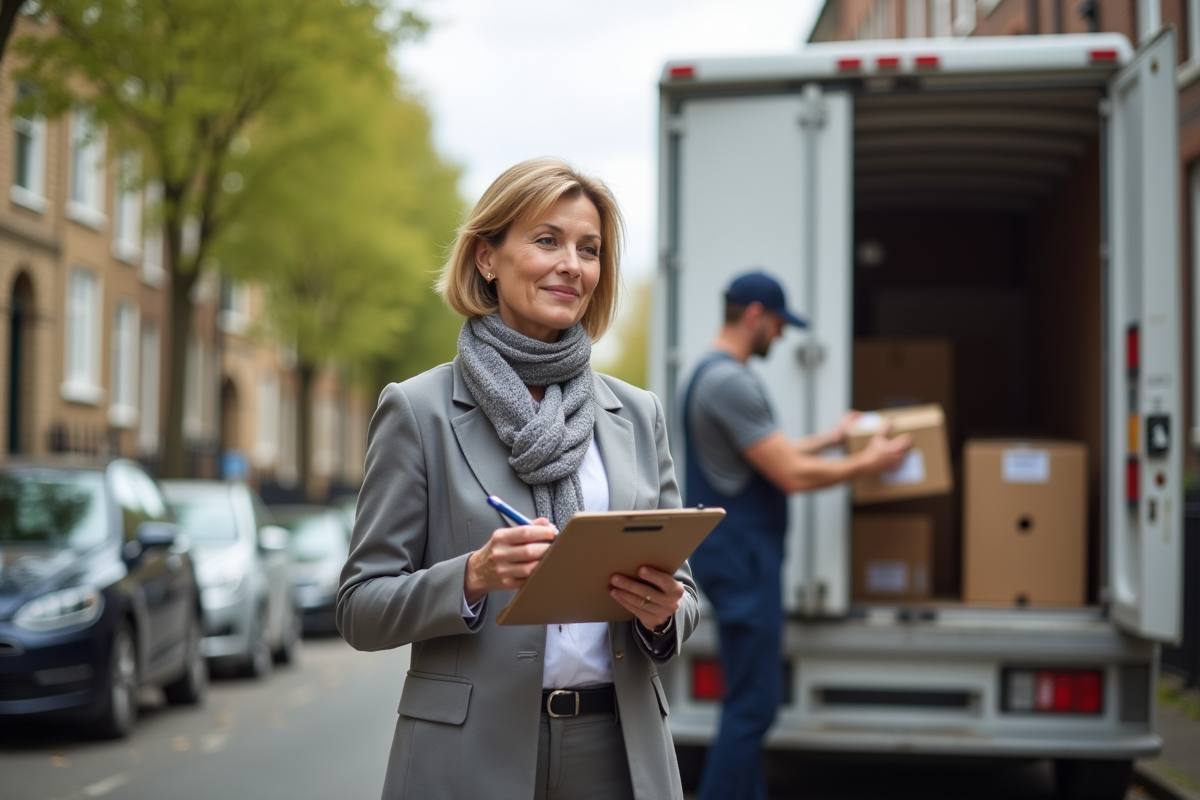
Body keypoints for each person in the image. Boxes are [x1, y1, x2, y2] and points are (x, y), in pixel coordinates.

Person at [337, 157, 699, 800]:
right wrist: (471, 577)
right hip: (468, 755)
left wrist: (663, 613)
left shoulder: (637, 413)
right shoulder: (418, 411)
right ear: (486, 258)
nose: (572, 264)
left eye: (589, 250)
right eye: (546, 240)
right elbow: (361, 610)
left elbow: (686, 594)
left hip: (617, 751)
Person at [683, 270, 912, 800]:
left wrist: (836, 439)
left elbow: (774, 454)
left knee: (748, 700)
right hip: (742, 562)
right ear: (757, 316)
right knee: (754, 707)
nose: (782, 337)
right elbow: (789, 474)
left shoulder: (711, 373)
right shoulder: (730, 381)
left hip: (737, 559)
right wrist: (868, 463)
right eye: (781, 325)